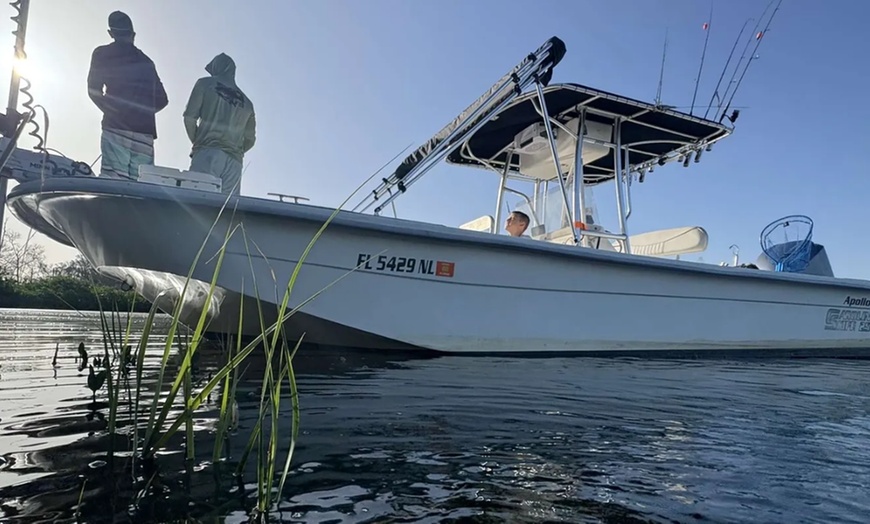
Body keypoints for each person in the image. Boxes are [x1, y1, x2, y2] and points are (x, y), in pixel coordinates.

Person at [87, 11, 168, 180]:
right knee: (140, 187)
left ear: (111, 33)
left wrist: (113, 112)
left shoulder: (102, 53)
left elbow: (93, 90)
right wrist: (143, 112)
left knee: (114, 183)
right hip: (144, 134)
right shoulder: (147, 62)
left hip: (116, 127)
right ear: (133, 34)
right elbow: (163, 100)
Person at [182, 53, 256, 195]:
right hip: (234, 163)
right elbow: (250, 140)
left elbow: (189, 118)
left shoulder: (204, 84)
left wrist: (198, 141)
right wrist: (236, 150)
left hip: (207, 153)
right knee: (226, 214)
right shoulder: (248, 104)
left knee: (197, 204)